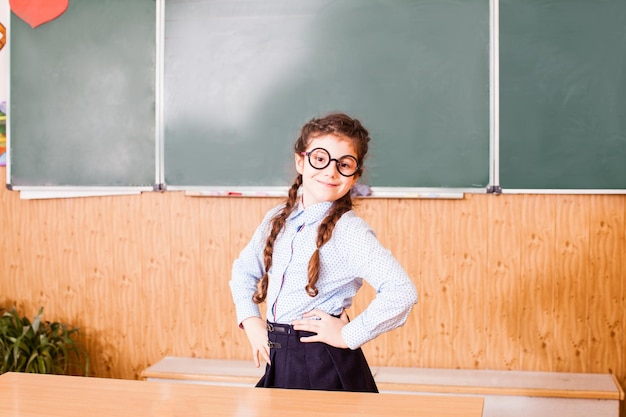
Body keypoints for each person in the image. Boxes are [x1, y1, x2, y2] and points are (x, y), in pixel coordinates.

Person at [229, 112, 417, 392]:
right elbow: (244, 271)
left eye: (344, 164)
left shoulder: (349, 230)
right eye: (320, 158)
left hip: (321, 362)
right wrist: (251, 320)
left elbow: (402, 291)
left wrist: (348, 335)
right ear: (301, 160)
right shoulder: (276, 219)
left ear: (355, 175)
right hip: (280, 355)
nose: (331, 171)